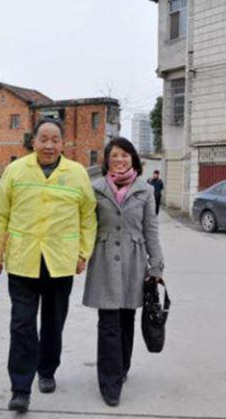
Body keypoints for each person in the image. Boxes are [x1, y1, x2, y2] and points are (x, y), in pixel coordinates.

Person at [0, 119, 97, 413]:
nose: (49, 145)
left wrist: (83, 252)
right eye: (43, 139)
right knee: (21, 324)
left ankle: (46, 370)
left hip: (60, 261)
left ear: (63, 143)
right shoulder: (15, 170)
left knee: (53, 323)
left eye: (55, 139)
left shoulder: (77, 173)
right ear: (33, 141)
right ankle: (20, 388)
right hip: (23, 260)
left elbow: (88, 216)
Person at [82, 137, 164, 407]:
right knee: (108, 323)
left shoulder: (145, 190)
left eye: (125, 155)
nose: (120, 159)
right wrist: (79, 254)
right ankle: (109, 383)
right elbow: (86, 225)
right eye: (115, 155)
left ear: (133, 159)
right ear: (107, 159)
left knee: (126, 320)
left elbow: (150, 229)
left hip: (133, 261)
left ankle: (122, 367)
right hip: (104, 260)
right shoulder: (95, 188)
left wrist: (156, 264)